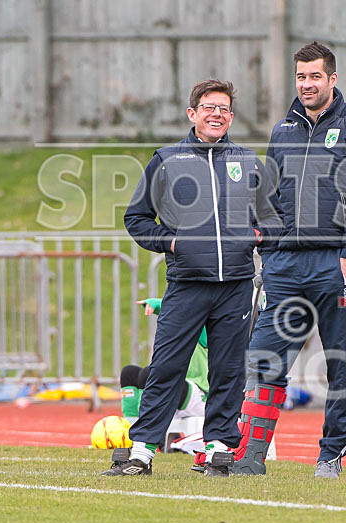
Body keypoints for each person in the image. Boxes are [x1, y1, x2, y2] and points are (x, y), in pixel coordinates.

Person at [244, 42, 346, 478]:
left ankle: (329, 456)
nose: (306, 85)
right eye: (300, 77)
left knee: (340, 369)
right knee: (261, 360)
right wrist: (270, 255)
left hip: (336, 266)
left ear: (332, 78)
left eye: (315, 77)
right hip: (286, 267)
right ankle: (251, 454)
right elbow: (267, 197)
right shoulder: (283, 131)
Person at [103, 79, 261, 477]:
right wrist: (171, 243)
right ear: (192, 113)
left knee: (228, 371)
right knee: (167, 366)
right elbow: (136, 219)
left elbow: (269, 217)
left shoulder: (246, 160)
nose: (217, 114)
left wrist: (261, 235)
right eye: (209, 107)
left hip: (237, 285)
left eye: (224, 108)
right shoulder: (167, 160)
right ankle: (141, 452)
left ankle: (219, 449)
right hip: (188, 284)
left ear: (230, 116)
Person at [120, 298, 209, 426]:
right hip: (175, 388)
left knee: (149, 374)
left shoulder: (200, 329)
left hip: (198, 395)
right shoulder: (169, 334)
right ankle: (131, 427)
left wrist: (156, 304)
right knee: (129, 373)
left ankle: (145, 429)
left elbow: (186, 308)